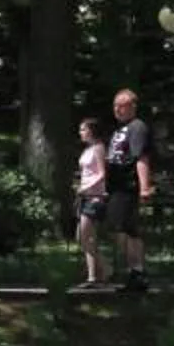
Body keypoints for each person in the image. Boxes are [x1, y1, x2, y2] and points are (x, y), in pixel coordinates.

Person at [106, 88, 155, 292]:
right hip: (116, 187)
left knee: (127, 230)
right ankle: (134, 271)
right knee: (121, 230)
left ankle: (138, 271)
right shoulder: (119, 129)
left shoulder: (137, 127)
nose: (117, 109)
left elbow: (141, 158)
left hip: (128, 187)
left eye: (122, 105)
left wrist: (144, 187)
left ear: (132, 107)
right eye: (115, 105)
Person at [74, 114, 111, 285]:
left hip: (95, 197)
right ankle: (103, 268)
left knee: (86, 236)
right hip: (84, 196)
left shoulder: (98, 148)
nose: (80, 132)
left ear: (91, 131)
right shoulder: (87, 149)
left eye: (83, 129)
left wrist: (87, 187)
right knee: (82, 237)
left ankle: (93, 276)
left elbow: (102, 174)